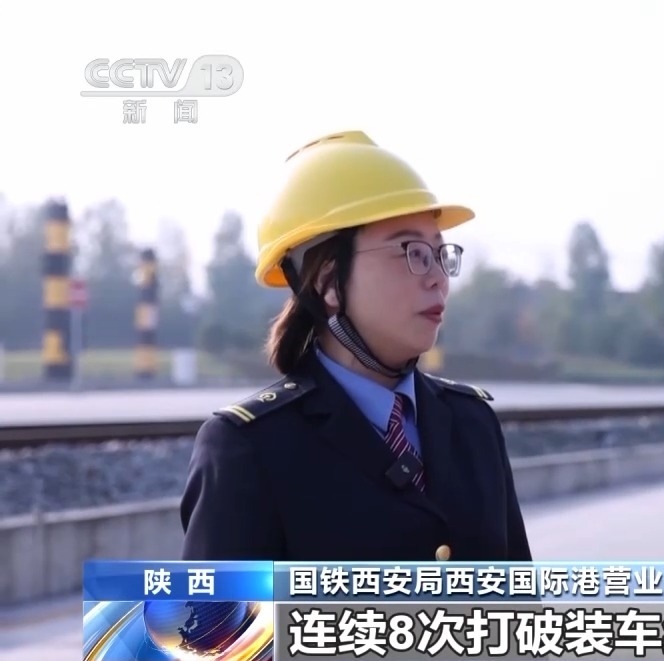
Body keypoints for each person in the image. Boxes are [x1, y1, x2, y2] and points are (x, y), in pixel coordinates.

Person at [180, 130, 533, 563]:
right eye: (412, 252)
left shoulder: (473, 425)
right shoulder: (249, 448)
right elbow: (213, 610)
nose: (438, 278)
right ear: (328, 281)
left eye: (441, 255)